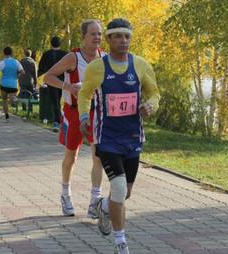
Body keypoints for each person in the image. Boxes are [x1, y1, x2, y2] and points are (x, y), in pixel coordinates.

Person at [78, 18, 160, 254]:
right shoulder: (98, 67)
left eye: (127, 36)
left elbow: (154, 93)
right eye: (118, 36)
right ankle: (120, 242)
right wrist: (84, 118)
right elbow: (84, 95)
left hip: (133, 138)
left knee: (125, 193)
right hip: (107, 139)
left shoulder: (141, 65)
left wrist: (151, 106)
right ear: (109, 39)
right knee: (120, 187)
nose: (124, 41)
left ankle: (103, 206)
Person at [43, 19, 105, 218]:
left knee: (99, 156)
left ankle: (94, 201)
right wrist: (69, 87)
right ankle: (65, 193)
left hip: (96, 112)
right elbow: (48, 77)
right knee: (72, 156)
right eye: (93, 34)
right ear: (83, 36)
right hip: (74, 112)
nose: (97, 37)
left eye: (100, 34)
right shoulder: (73, 57)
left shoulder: (104, 57)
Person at [38, 36, 67, 131]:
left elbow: (41, 68)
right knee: (61, 101)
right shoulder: (65, 54)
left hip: (51, 81)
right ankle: (60, 120)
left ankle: (57, 122)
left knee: (55, 101)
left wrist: (40, 80)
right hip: (63, 81)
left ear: (51, 43)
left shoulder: (46, 54)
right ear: (60, 44)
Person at [0, 46, 24, 122]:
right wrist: (17, 76)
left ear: (4, 53)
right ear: (12, 53)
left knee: (4, 100)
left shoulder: (2, 63)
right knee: (12, 97)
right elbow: (23, 72)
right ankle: (14, 99)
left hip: (4, 84)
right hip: (13, 84)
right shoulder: (16, 62)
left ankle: (7, 117)